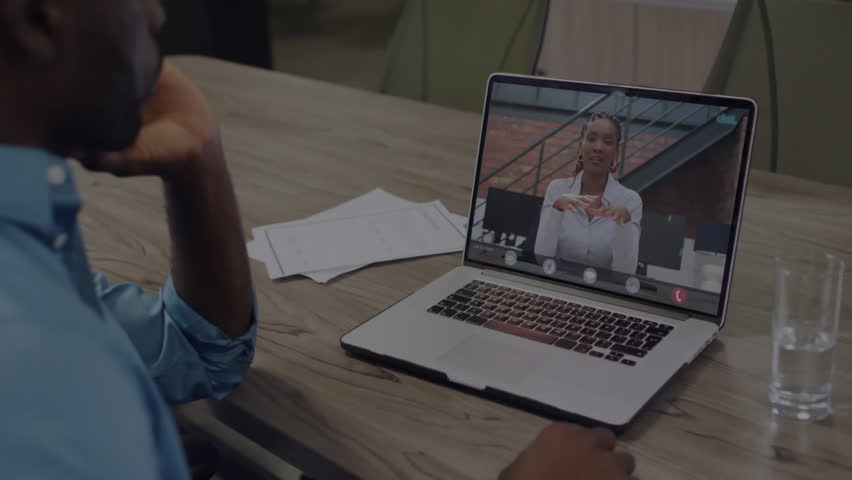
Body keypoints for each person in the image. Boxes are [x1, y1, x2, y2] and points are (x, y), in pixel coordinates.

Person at [0, 1, 635, 479]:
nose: (156, 11)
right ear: (36, 20)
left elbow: (197, 352)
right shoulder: (38, 365)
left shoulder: (31, 256)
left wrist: (200, 156)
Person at [534, 112, 643, 275]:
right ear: (580, 147)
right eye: (591, 139)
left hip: (603, 292)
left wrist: (625, 224)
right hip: (558, 284)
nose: (598, 148)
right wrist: (556, 209)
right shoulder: (557, 189)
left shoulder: (631, 201)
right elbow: (541, 259)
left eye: (607, 142)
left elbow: (624, 275)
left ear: (616, 153)